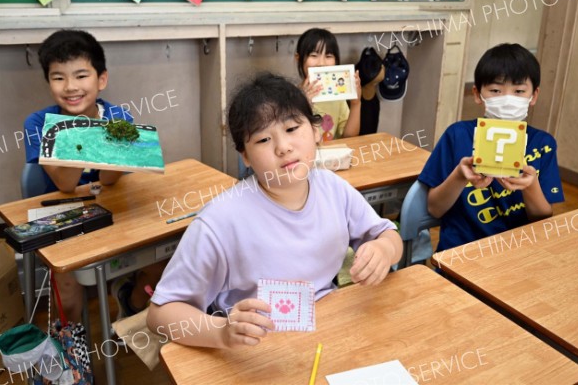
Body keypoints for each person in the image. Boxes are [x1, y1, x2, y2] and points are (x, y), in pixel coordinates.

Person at [147, 73, 402, 349]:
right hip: (256, 349)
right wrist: (221, 332)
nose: (283, 147)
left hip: (328, 333)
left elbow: (389, 235)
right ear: (245, 155)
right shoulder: (220, 221)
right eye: (263, 140)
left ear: (316, 131)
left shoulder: (332, 187)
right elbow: (160, 314)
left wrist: (384, 251)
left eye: (292, 129)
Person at [24, 29, 163, 321]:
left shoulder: (119, 118)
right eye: (58, 77)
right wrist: (83, 133)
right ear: (48, 82)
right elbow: (65, 184)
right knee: (65, 281)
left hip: (115, 208)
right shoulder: (39, 123)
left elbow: (111, 179)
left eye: (80, 75)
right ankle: (72, 354)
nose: (70, 86)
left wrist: (111, 149)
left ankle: (132, 302)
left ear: (101, 79)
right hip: (64, 213)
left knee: (163, 252)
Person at [418, 43, 564, 252]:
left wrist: (530, 186)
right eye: (496, 90)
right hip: (460, 254)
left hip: (518, 255)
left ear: (534, 95)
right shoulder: (457, 135)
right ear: (478, 94)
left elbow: (542, 219)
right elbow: (435, 208)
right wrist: (460, 175)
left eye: (519, 91)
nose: (508, 99)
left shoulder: (543, 144)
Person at [295, 28, 361, 141]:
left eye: (329, 56)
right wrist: (304, 105)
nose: (322, 64)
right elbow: (294, 140)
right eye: (314, 55)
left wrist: (356, 103)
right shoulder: (290, 96)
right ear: (298, 58)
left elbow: (350, 137)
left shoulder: (337, 95)